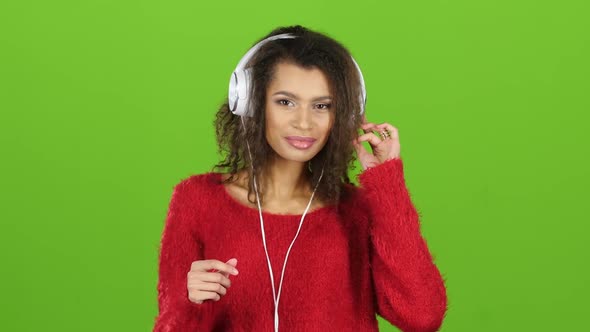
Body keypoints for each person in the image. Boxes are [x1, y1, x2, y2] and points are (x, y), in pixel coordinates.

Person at [153, 25, 447, 332]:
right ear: (252, 102)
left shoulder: (356, 211)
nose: (304, 122)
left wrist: (387, 181)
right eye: (285, 102)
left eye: (322, 106)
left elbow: (422, 317)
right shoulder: (196, 200)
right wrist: (189, 304)